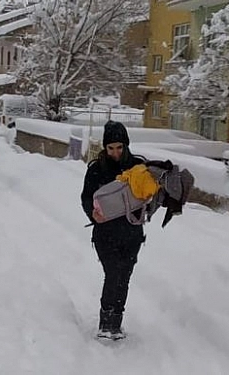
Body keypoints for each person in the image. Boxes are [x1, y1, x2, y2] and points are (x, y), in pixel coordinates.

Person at [80, 121, 145, 340]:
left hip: (131, 234)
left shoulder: (138, 167)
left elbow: (150, 193)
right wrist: (92, 213)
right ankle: (105, 323)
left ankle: (116, 321)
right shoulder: (97, 169)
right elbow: (86, 197)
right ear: (105, 147)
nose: (115, 152)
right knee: (114, 273)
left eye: (119, 147)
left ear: (125, 145)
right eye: (110, 148)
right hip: (105, 234)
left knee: (124, 277)